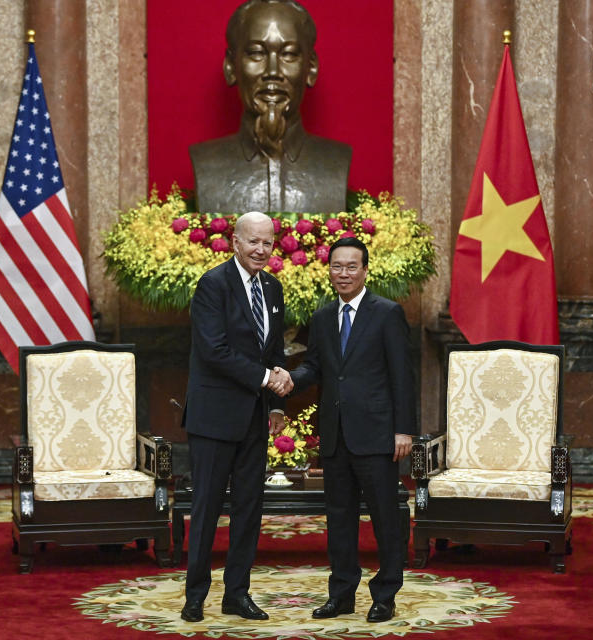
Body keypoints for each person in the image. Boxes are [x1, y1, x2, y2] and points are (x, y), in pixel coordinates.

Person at [287, 236, 415, 623]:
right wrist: (287, 379)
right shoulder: (323, 317)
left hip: (378, 435)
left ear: (364, 270)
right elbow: (315, 369)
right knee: (339, 518)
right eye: (336, 267)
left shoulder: (387, 313)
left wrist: (403, 430)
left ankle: (385, 594)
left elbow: (402, 376)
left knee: (385, 520)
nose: (342, 274)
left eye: (350, 267)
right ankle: (341, 594)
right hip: (336, 434)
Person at [180, 211, 294, 623]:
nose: (261, 250)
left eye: (268, 243)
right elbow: (213, 350)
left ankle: (237, 595)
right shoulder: (213, 285)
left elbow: (275, 350)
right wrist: (267, 378)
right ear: (235, 241)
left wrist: (278, 400)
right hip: (213, 418)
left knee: (249, 508)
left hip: (254, 417)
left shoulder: (274, 288)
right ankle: (195, 596)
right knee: (207, 507)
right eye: (253, 242)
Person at [190, 0, 351, 214]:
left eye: (289, 54)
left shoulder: (335, 161)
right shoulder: (207, 163)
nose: (273, 71)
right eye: (257, 53)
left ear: (311, 68)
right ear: (230, 67)